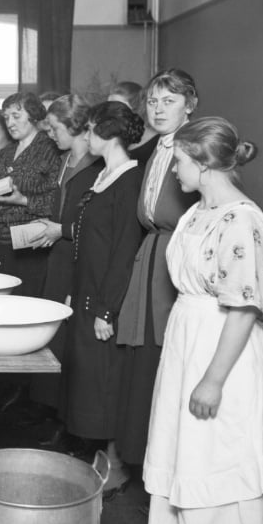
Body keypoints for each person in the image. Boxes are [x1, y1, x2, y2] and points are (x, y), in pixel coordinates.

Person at [144, 116, 263, 524]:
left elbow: (246, 306)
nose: (174, 173)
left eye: (180, 162)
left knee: (227, 457)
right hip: (191, 337)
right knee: (193, 451)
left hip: (223, 349)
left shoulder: (242, 220)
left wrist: (212, 378)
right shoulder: (197, 213)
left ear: (204, 164)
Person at [55, 102, 145, 494]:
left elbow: (123, 250)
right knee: (90, 378)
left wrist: (106, 308)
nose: (85, 138)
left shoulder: (128, 180)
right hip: (87, 288)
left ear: (108, 135)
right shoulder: (103, 176)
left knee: (107, 379)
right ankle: (100, 453)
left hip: (105, 296)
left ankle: (116, 460)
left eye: (90, 131)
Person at [114, 69, 200, 476]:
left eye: (170, 101)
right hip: (151, 256)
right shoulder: (156, 149)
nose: (159, 108)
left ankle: (166, 470)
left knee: (168, 366)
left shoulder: (198, 148)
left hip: (176, 262)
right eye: (153, 101)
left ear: (190, 106)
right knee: (142, 365)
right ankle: (139, 461)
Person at [26, 95, 102, 431]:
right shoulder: (64, 160)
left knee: (73, 339)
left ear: (76, 127)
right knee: (52, 334)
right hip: (57, 257)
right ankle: (49, 408)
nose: (52, 135)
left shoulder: (97, 167)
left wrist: (62, 229)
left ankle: (68, 420)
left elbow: (99, 227)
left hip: (79, 260)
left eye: (56, 128)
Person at [0, 92, 62, 298]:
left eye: (16, 116)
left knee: (27, 307)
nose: (10, 123)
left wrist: (23, 200)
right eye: (6, 117)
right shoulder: (4, 153)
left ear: (33, 116)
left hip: (32, 248)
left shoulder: (51, 149)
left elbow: (58, 202)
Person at [109, 80, 159, 165]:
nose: (108, 112)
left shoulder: (157, 143)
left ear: (135, 108)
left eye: (116, 107)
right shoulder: (115, 137)